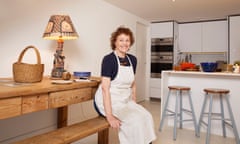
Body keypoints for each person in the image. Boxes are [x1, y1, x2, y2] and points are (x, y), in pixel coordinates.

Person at [94, 26, 156, 144]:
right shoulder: (108, 60)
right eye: (121, 40)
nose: (124, 43)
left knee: (146, 116)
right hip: (107, 101)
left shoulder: (133, 59)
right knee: (134, 121)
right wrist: (110, 116)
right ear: (115, 42)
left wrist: (134, 103)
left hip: (125, 100)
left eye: (127, 40)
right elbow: (105, 89)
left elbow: (132, 83)